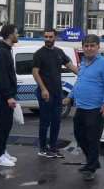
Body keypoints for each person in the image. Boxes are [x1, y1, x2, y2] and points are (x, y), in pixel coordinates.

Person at [63, 34, 104, 182]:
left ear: (98, 47)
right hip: (81, 107)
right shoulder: (83, 64)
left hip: (96, 108)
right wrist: (70, 96)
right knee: (80, 135)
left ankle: (91, 168)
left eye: (92, 45)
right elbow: (79, 82)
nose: (89, 48)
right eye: (86, 46)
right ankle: (92, 161)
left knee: (92, 139)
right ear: (83, 47)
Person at [32, 28, 79, 158]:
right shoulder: (39, 54)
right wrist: (43, 89)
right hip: (45, 93)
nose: (48, 39)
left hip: (58, 92)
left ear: (55, 38)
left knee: (57, 121)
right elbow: (35, 72)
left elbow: (71, 66)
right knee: (45, 121)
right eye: (46, 37)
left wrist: (86, 75)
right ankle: (42, 148)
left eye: (50, 37)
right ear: (43, 37)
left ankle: (53, 147)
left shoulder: (59, 52)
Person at [0, 25, 19, 167]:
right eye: (16, 32)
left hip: (5, 94)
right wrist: (8, 96)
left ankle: (2, 150)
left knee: (7, 124)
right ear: (11, 36)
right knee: (2, 124)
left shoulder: (5, 50)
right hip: (2, 95)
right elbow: (2, 76)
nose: (18, 34)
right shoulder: (2, 52)